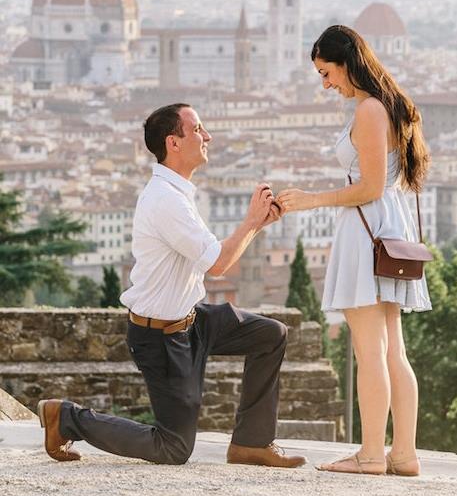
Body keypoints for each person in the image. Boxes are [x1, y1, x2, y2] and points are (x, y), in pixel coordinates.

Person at [38, 103, 306, 469]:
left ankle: (251, 444)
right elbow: (218, 263)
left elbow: (212, 255)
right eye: (197, 129)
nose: (207, 136)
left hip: (192, 320)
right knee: (173, 448)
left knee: (270, 334)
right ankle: (67, 418)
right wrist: (250, 222)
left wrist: (256, 224)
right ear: (173, 143)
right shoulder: (165, 200)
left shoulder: (178, 193)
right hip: (160, 338)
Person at [277, 25, 431, 476]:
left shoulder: (368, 110)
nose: (326, 84)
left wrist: (311, 199)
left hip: (367, 233)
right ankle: (403, 454)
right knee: (392, 352)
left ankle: (369, 455)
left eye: (327, 73)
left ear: (347, 62)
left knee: (370, 351)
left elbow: (366, 187)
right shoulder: (391, 105)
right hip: (388, 228)